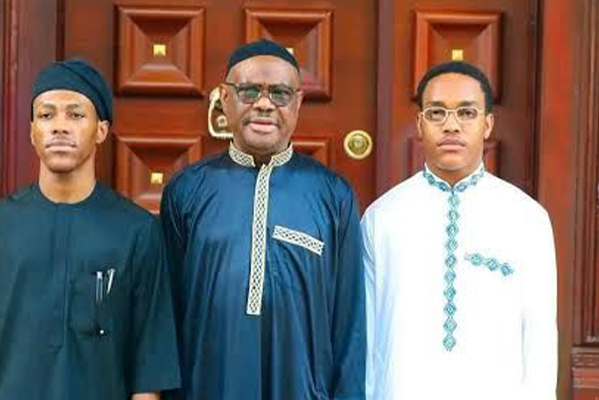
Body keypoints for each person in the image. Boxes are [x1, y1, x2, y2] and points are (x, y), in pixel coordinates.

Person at [0, 59, 180, 400]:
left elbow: (149, 366)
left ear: (101, 130)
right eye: (46, 115)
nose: (60, 127)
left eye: (76, 114)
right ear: (32, 131)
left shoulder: (137, 231)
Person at [160, 39, 366, 400]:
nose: (264, 104)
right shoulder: (187, 191)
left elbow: (349, 322)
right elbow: (166, 313)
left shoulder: (333, 195)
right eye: (249, 91)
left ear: (298, 103)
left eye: (280, 93)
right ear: (225, 99)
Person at [361, 61, 557, 400]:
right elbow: (367, 334)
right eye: (437, 113)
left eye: (466, 113)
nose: (451, 125)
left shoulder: (527, 219)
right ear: (420, 124)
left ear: (487, 124)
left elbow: (540, 336)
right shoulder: (382, 218)